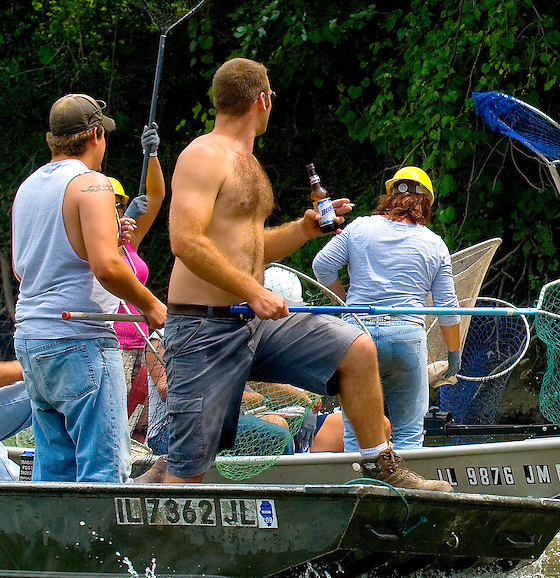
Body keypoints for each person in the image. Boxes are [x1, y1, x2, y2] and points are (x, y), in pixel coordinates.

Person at [162, 57, 449, 490]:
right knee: (185, 473)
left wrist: (302, 230)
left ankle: (379, 464)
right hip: (203, 328)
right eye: (271, 97)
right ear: (262, 100)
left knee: (355, 348)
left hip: (253, 323)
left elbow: (249, 247)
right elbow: (185, 241)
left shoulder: (247, 162)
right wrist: (251, 291)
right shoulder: (203, 155)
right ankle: (160, 530)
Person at [11, 94, 166, 483]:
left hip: (31, 340)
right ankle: (105, 546)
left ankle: (55, 545)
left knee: (55, 477)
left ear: (53, 140)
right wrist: (153, 307)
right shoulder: (92, 185)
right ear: (97, 134)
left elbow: (22, 270)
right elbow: (107, 268)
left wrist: (110, 241)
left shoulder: (26, 189)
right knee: (104, 475)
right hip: (80, 340)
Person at [313, 166, 462, 450]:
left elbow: (322, 265)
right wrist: (453, 356)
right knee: (408, 433)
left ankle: (358, 490)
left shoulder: (360, 227)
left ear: (390, 195)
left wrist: (345, 303)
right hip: (406, 336)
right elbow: (447, 307)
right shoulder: (435, 244)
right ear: (427, 203)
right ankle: (404, 492)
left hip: (357, 335)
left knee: (357, 433)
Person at [109, 124, 165, 393]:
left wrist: (151, 155)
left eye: (120, 204)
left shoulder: (130, 238)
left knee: (129, 430)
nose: (118, 209)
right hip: (111, 347)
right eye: (113, 204)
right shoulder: (94, 243)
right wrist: (117, 226)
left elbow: (155, 196)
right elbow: (104, 260)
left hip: (140, 347)